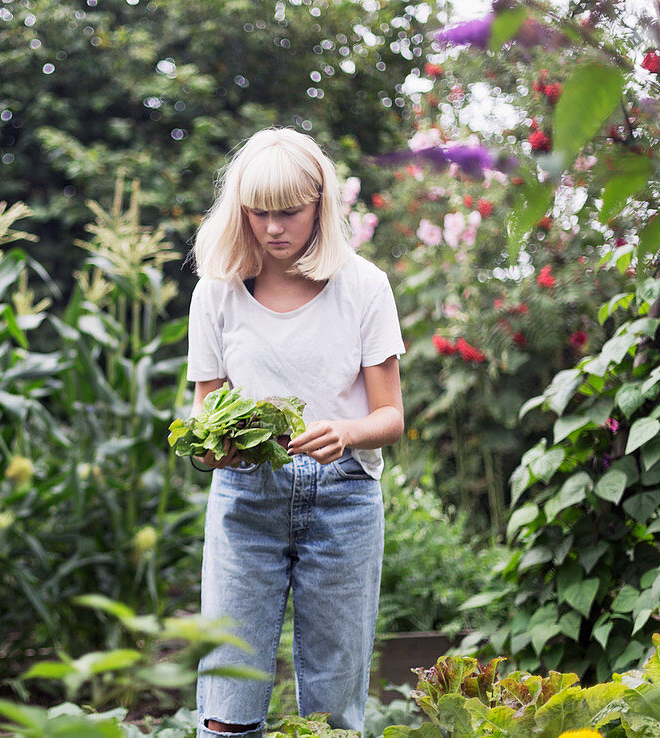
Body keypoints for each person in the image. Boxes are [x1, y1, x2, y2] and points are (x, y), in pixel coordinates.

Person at [185, 127, 405, 737]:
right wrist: (215, 448)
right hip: (246, 497)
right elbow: (205, 412)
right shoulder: (218, 293)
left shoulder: (364, 287)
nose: (273, 228)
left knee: (334, 710)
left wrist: (348, 433)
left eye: (289, 213)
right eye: (259, 214)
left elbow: (391, 417)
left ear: (320, 207)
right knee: (227, 703)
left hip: (344, 499)